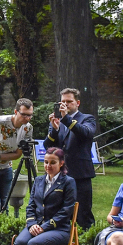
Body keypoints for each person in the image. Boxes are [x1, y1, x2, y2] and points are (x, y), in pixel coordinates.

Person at [11, 147, 77, 245]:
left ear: (61, 163)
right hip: (36, 226)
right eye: (46, 162)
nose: (48, 166)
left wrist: (44, 227)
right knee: (20, 242)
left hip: (58, 229)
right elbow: (31, 206)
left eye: (52, 162)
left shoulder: (68, 182)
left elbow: (67, 210)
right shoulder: (39, 181)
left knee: (33, 244)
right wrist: (32, 224)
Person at [44, 88, 97, 229]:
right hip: (60, 174)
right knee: (60, 210)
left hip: (80, 173)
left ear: (77, 103)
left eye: (69, 101)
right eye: (63, 101)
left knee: (83, 212)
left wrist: (66, 119)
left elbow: (86, 133)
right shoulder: (57, 121)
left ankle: (87, 244)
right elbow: (48, 146)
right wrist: (54, 130)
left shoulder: (87, 118)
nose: (65, 104)